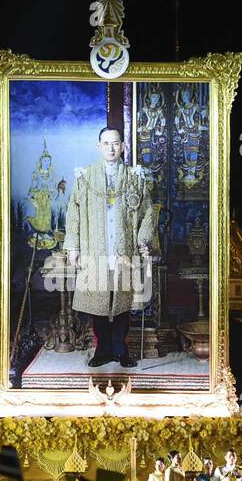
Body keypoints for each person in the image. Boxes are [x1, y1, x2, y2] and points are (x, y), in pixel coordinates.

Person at [63, 126, 155, 368]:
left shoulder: (135, 178)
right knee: (99, 303)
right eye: (106, 143)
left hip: (123, 250)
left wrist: (142, 240)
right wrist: (73, 247)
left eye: (116, 143)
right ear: (99, 146)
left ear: (123, 146)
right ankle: (103, 349)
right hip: (95, 250)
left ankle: (120, 349)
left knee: (123, 302)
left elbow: (147, 212)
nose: (111, 148)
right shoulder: (85, 177)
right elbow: (73, 212)